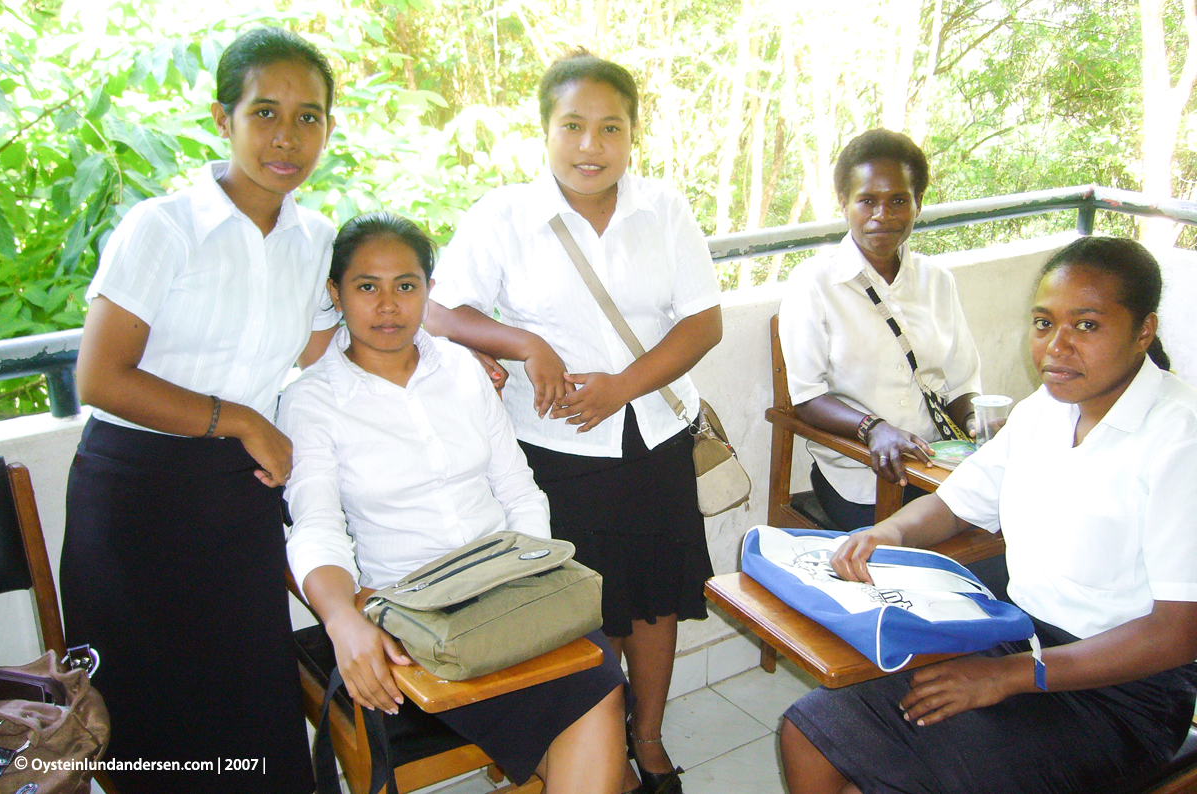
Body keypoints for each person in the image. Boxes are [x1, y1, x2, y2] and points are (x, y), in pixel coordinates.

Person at [779, 236, 1197, 794]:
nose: (1057, 348)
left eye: (1087, 326)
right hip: (1018, 637)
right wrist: (885, 533)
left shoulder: (1179, 438)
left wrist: (1007, 676)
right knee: (809, 731)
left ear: (1143, 331)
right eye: (1044, 323)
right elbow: (955, 504)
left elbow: (1178, 633)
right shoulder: (1045, 411)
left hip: (1122, 692)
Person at [425, 50, 723, 794]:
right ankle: (596, 750)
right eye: (573, 126)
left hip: (651, 436)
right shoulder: (504, 216)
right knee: (578, 608)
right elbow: (438, 309)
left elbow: (703, 323)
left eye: (610, 128)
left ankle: (648, 742)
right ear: (545, 131)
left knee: (654, 603)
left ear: (632, 134)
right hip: (548, 450)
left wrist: (622, 386)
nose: (592, 146)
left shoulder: (665, 209)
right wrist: (524, 344)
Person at [59, 28, 340, 794]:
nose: (287, 138)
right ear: (224, 118)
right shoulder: (163, 226)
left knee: (251, 704)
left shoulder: (316, 241)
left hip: (236, 498)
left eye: (309, 117)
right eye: (265, 113)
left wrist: (454, 349)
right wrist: (244, 418)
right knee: (151, 721)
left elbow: (323, 345)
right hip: (135, 497)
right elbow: (100, 378)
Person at [279, 212, 628, 794]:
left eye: (406, 285)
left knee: (598, 685)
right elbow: (316, 526)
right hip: (421, 614)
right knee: (593, 718)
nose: (388, 305)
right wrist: (341, 618)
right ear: (335, 293)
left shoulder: (463, 371)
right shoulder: (312, 401)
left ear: (429, 291)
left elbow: (518, 489)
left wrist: (537, 575)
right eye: (367, 286)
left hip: (510, 585)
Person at [778, 129, 981, 532]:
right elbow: (806, 397)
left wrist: (977, 424)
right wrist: (873, 429)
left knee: (1010, 532)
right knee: (909, 556)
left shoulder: (937, 281)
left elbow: (961, 384)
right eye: (867, 200)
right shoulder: (815, 283)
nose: (882, 215)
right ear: (844, 203)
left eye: (898, 201)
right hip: (858, 475)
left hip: (937, 466)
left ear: (918, 204)